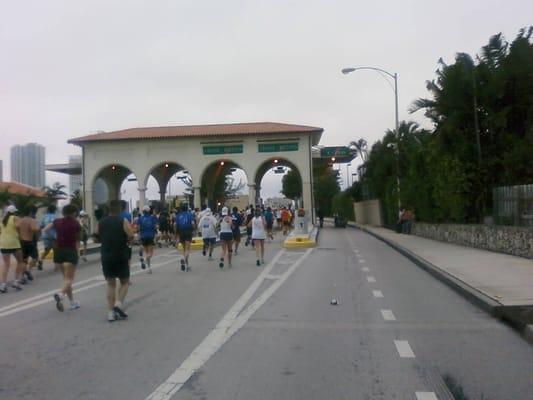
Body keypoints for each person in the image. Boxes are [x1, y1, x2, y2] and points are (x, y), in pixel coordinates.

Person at [95, 200, 134, 322]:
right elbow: (131, 235)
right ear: (119, 210)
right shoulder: (123, 221)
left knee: (111, 284)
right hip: (121, 255)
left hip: (106, 256)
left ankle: (111, 313)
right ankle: (118, 304)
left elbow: (96, 236)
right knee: (125, 282)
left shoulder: (100, 222)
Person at [44, 204, 81, 311]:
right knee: (69, 279)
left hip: (59, 251)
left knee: (65, 279)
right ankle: (60, 295)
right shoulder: (76, 223)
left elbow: (45, 229)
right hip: (70, 251)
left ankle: (72, 302)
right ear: (74, 213)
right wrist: (78, 252)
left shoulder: (57, 221)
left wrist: (56, 237)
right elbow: (78, 240)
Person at [0, 205, 25, 293]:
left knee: (6, 264)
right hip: (14, 243)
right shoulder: (15, 217)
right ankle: (16, 281)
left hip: (4, 243)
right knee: (20, 261)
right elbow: (18, 226)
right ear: (14, 212)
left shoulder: (3, 220)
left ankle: (3, 285)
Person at [18, 205, 40, 282]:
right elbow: (33, 228)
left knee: (24, 259)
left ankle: (22, 277)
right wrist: (38, 228)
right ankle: (28, 270)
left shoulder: (20, 220)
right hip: (29, 242)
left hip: (21, 242)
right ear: (30, 212)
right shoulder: (31, 220)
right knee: (35, 258)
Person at [135, 205, 158, 274]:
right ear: (149, 211)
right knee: (150, 253)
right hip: (150, 236)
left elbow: (137, 228)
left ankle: (149, 268)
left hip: (143, 236)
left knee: (147, 253)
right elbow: (156, 226)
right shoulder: (152, 218)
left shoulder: (140, 218)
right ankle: (144, 260)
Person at [175, 204, 195, 271]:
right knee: (187, 249)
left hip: (181, 232)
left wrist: (176, 232)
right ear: (187, 209)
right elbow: (192, 223)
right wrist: (194, 229)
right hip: (188, 231)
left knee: (184, 249)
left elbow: (175, 224)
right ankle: (183, 259)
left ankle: (187, 265)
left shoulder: (178, 216)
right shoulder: (190, 215)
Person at [37, 204, 57, 270]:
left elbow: (41, 226)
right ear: (54, 210)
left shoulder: (44, 217)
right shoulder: (55, 217)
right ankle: (56, 266)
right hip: (53, 236)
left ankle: (40, 259)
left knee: (47, 250)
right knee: (56, 251)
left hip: (45, 236)